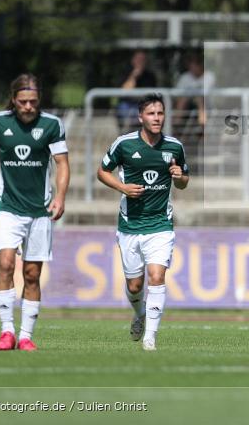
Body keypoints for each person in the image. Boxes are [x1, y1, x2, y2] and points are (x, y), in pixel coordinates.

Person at [0, 74, 69, 351]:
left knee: (32, 274)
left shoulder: (52, 124)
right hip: (7, 208)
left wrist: (60, 196)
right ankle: (7, 331)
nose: (29, 107)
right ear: (13, 100)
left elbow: (62, 163)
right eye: (23, 102)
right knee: (6, 264)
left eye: (33, 101)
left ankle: (25, 336)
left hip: (40, 210)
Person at [97, 93, 189, 351]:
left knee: (157, 276)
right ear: (141, 117)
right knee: (135, 285)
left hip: (161, 224)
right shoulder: (124, 144)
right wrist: (122, 187)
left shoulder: (174, 147)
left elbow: (183, 183)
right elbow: (102, 171)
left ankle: (150, 337)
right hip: (130, 225)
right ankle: (139, 313)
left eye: (160, 113)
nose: (157, 118)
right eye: (151, 113)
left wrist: (179, 176)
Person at [117, 50, 158, 130]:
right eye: (138, 59)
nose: (140, 62)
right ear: (133, 60)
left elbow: (151, 96)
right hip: (128, 106)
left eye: (143, 60)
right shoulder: (125, 73)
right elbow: (125, 90)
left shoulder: (150, 76)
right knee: (124, 108)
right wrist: (134, 76)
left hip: (144, 105)